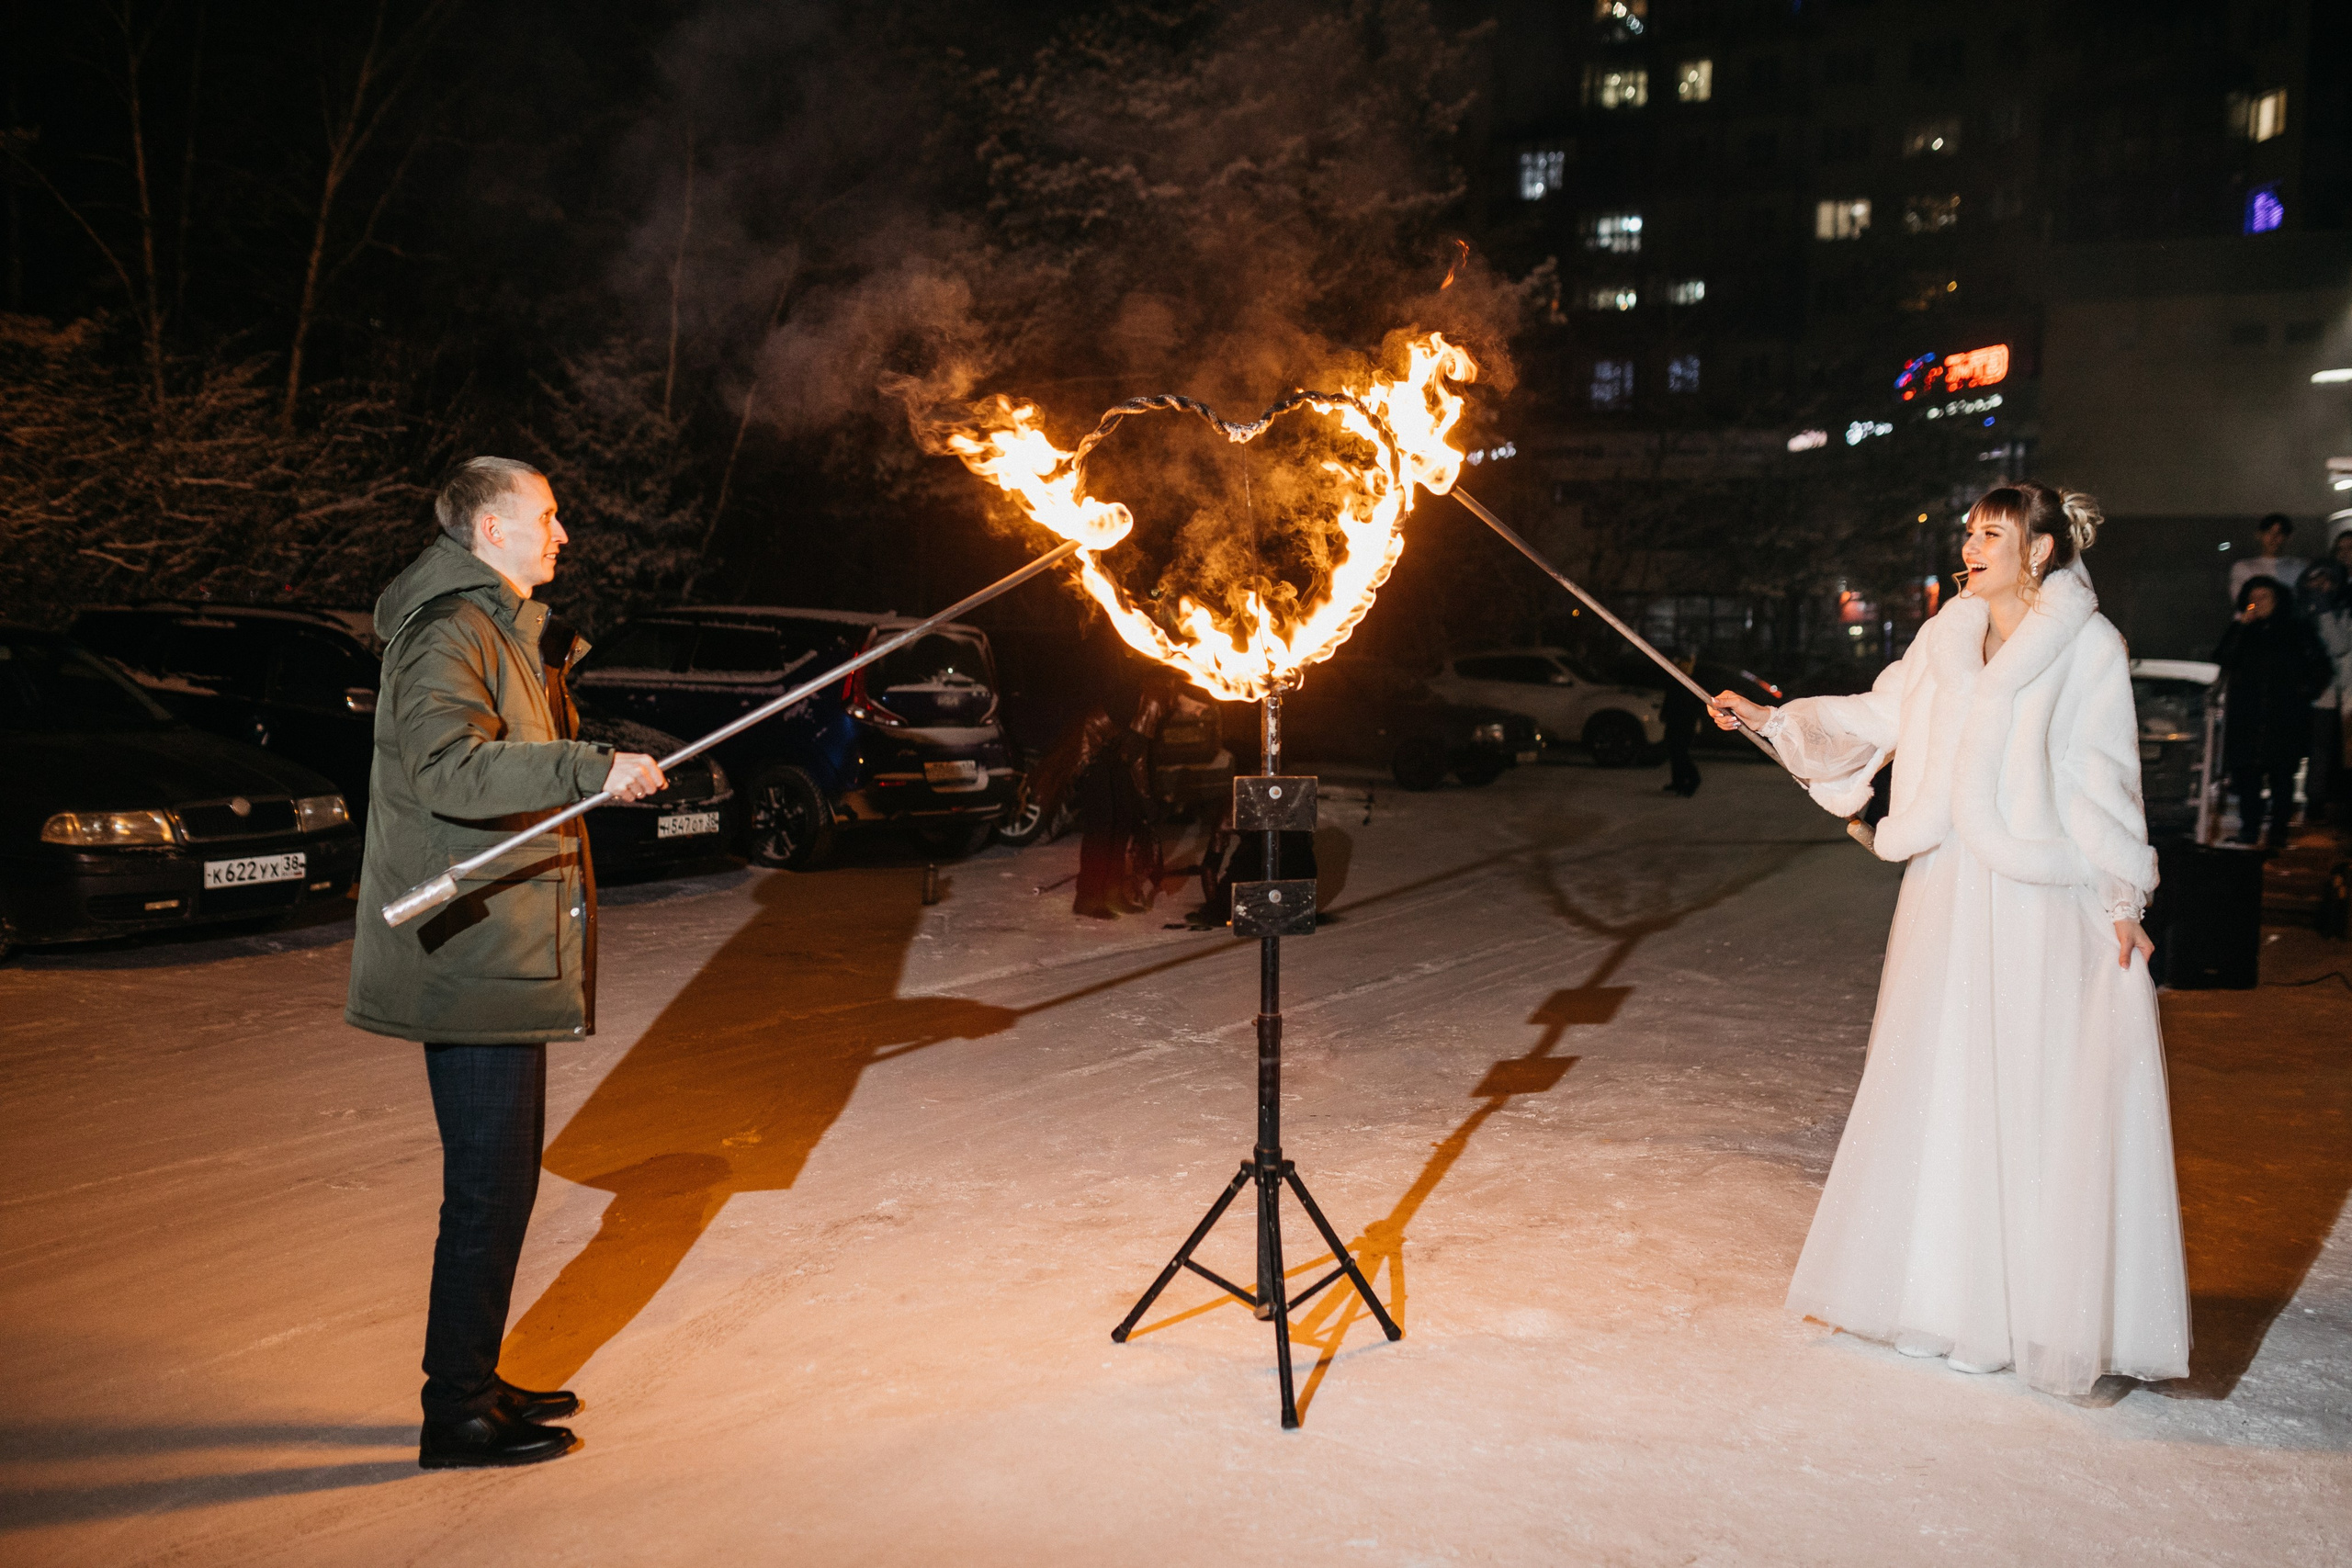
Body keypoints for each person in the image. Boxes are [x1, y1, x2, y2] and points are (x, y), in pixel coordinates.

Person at [1710, 481, 2188, 1396]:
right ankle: (1941, 1299)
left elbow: (2102, 774)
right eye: (1969, 532)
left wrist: (2123, 895)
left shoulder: (2088, 646)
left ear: (2038, 550)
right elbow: (1876, 715)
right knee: (1942, 1074)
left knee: (2027, 1080)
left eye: (1991, 535)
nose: (1970, 549)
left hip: (2035, 894)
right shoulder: (1944, 636)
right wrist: (1771, 720)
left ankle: (2029, 1313)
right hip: (1947, 886)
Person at [347, 457, 667, 1469]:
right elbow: (449, 769)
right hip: (471, 949)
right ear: (492, 531)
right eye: (548, 516)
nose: (562, 533)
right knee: (487, 1189)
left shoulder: (501, 629)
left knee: (504, 1183)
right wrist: (590, 766)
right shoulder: (450, 631)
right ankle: (457, 1414)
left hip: (502, 943)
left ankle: (476, 1381)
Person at [2213, 574, 2334, 847]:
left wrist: (2303, 692)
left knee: (2282, 777)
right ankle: (2249, 830)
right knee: (2247, 777)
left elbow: (2319, 666)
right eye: (2253, 598)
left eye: (2264, 597)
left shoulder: (2296, 630)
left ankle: (2278, 832)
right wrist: (2240, 627)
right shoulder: (2244, 631)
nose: (2258, 603)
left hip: (2284, 716)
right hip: (2248, 716)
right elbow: (2224, 657)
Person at [2298, 561, 2351, 821]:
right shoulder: (2297, 610)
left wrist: (2325, 612)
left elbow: (2340, 645)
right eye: (2314, 580)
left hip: (2340, 691)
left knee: (2337, 748)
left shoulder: (2342, 609)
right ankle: (2315, 800)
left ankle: (2332, 801)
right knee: (2318, 748)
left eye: (2326, 580)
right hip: (2312, 691)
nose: (2320, 586)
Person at [2227, 512, 2307, 604]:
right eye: (2269, 532)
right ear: (2259, 535)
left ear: (2288, 537)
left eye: (2279, 533)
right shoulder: (2243, 567)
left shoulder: (2300, 567)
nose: (2273, 538)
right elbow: (2240, 600)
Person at [1657, 651, 1703, 797]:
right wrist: (1665, 713)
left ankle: (1693, 779)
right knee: (1674, 752)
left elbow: (1688, 706)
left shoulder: (1688, 683)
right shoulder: (1676, 681)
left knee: (1680, 753)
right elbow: (1670, 699)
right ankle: (1678, 781)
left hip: (1683, 725)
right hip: (1675, 723)